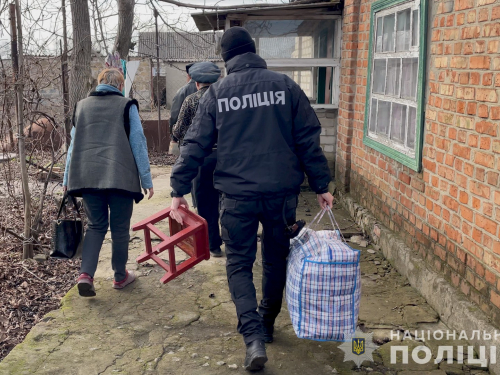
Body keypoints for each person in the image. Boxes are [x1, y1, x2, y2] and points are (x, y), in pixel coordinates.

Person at [169, 27, 333, 371]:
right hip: (280, 195)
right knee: (275, 259)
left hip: (237, 196)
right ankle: (268, 323)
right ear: (254, 51)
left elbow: (194, 143)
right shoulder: (286, 86)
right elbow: (307, 138)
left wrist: (178, 190)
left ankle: (253, 337)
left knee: (239, 264)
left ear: (227, 59)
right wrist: (321, 184)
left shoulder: (217, 93)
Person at [63, 68, 154, 298]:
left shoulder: (81, 106)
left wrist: (66, 179)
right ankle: (120, 275)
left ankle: (85, 275)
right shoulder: (126, 105)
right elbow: (138, 143)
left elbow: (73, 146)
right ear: (120, 86)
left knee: (96, 226)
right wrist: (146, 178)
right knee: (120, 229)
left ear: (99, 83)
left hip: (88, 178)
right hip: (121, 179)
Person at [172, 62, 223, 258]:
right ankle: (229, 236)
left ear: (196, 83)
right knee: (226, 200)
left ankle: (213, 244)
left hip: (201, 158)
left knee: (205, 200)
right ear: (217, 79)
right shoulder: (225, 99)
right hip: (226, 158)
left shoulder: (191, 100)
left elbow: (178, 130)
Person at [169, 63, 198, 155]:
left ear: (189, 75)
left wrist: (173, 137)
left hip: (187, 138)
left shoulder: (182, 91)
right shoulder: (212, 89)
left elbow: (174, 116)